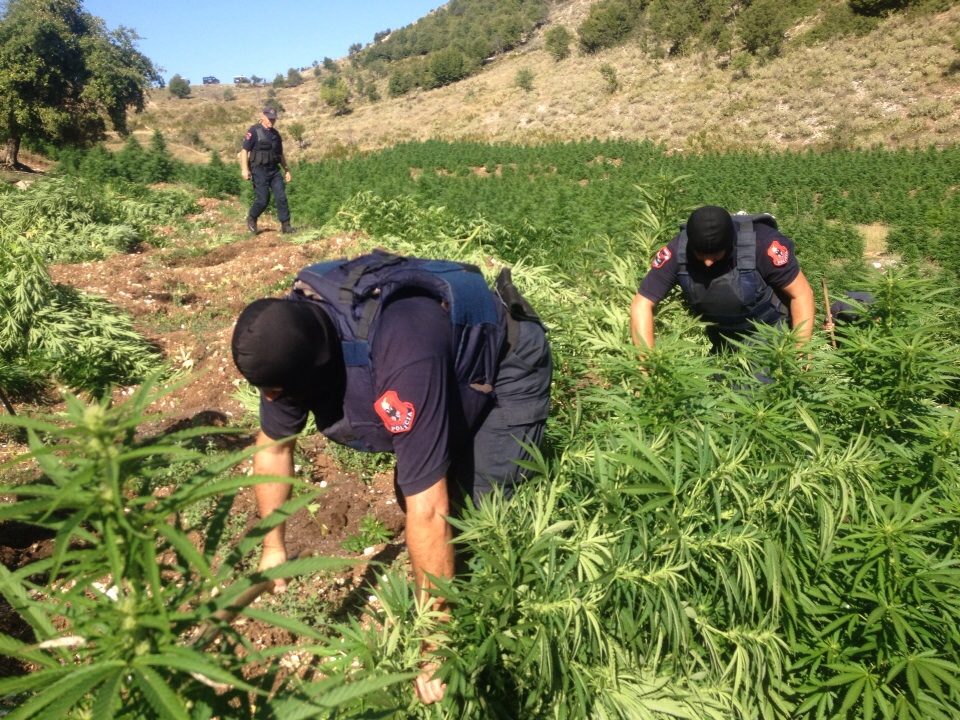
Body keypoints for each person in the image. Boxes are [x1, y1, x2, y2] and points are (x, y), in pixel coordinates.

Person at [231, 250, 552, 704]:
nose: (275, 401)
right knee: (423, 484)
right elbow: (273, 447)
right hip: (439, 363)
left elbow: (431, 510)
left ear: (315, 366)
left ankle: (478, 623)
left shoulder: (403, 350)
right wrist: (273, 547)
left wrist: (434, 642)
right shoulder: (287, 345)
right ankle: (443, 573)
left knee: (479, 515)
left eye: (279, 393)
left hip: (503, 363)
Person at [630, 205, 815, 356]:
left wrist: (801, 349)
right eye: (700, 255)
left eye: (716, 255)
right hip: (721, 337)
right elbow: (641, 304)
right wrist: (646, 365)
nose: (708, 262)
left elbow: (801, 294)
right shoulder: (677, 250)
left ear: (730, 243)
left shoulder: (762, 244)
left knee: (750, 391)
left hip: (770, 331)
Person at [240, 106, 294, 235]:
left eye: (274, 119)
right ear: (262, 116)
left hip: (274, 170)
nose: (271, 121)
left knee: (281, 197)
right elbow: (244, 150)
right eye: (269, 118)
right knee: (263, 199)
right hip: (259, 170)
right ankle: (252, 217)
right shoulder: (254, 131)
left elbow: (280, 154)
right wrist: (244, 169)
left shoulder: (275, 134)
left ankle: (286, 226)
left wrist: (286, 170)